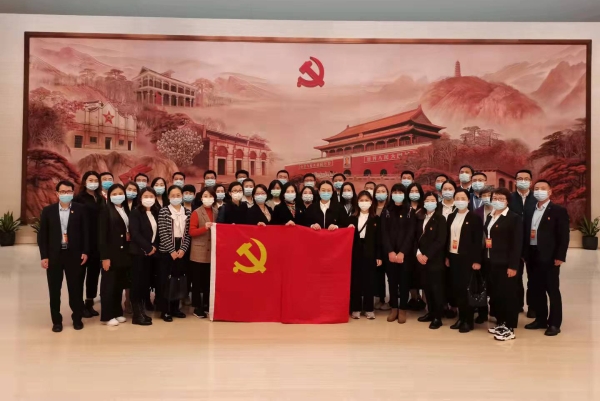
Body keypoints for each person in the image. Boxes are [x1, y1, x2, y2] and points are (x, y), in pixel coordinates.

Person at [38, 180, 89, 332]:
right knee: (54, 290)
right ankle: (56, 321)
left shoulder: (81, 209)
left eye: (68, 191)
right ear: (57, 193)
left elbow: (86, 233)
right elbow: (42, 236)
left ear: (73, 193)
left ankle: (77, 318)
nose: (65, 194)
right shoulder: (48, 211)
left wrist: (85, 251)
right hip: (55, 255)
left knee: (76, 288)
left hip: (74, 255)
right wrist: (44, 256)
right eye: (62, 191)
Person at [523, 180, 569, 337]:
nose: (539, 191)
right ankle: (541, 319)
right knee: (536, 289)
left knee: (552, 289)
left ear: (550, 192)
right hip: (532, 254)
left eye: (543, 188)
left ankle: (555, 323)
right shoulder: (529, 209)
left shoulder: (558, 211)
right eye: (536, 188)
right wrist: (524, 254)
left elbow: (564, 236)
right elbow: (525, 232)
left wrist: (560, 256)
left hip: (549, 256)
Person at [484, 187, 523, 341]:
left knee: (508, 295)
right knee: (497, 294)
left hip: (506, 263)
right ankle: (501, 323)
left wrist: (513, 266)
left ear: (507, 201)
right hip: (491, 262)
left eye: (501, 198)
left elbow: (516, 244)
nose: (498, 201)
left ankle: (510, 327)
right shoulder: (490, 216)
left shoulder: (514, 218)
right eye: (495, 198)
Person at [445, 189, 483, 333]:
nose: (460, 201)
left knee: (467, 290)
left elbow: (477, 241)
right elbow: (448, 237)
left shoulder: (474, 218)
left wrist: (477, 260)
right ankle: (461, 318)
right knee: (457, 289)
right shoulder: (451, 216)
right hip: (453, 257)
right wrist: (447, 256)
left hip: (468, 259)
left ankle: (468, 320)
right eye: (457, 198)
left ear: (468, 200)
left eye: (463, 198)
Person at [98, 184, 132, 327]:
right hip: (111, 254)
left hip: (123, 253)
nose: (118, 196)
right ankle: (107, 315)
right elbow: (102, 236)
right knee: (108, 285)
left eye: (120, 193)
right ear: (109, 196)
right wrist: (105, 257)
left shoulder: (126, 209)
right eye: (114, 194)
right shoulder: (105, 211)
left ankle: (117, 312)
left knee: (119, 284)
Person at [381, 183, 416, 323]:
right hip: (390, 254)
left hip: (405, 255)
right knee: (392, 281)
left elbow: (411, 233)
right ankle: (394, 308)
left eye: (400, 192)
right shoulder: (386, 211)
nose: (397, 194)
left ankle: (403, 309)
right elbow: (383, 233)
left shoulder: (410, 211)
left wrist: (402, 252)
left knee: (404, 282)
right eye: (394, 192)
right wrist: (390, 251)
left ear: (404, 194)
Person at [73, 171, 105, 318]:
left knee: (94, 274)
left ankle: (89, 302)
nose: (93, 183)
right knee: (80, 274)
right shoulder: (79, 198)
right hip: (83, 241)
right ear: (85, 182)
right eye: (90, 180)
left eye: (95, 180)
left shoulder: (101, 198)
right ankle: (78, 305)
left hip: (98, 242)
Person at [157, 185, 191, 322]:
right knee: (165, 280)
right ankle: (165, 310)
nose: (175, 198)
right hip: (167, 250)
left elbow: (188, 234)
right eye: (173, 195)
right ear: (168, 197)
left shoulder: (187, 212)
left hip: (181, 249)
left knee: (178, 279)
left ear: (182, 196)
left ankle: (175, 308)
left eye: (178, 195)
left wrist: (183, 249)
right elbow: (163, 232)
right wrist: (171, 250)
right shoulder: (164, 211)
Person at [416, 192, 448, 329]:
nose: (429, 202)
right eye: (427, 200)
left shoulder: (440, 218)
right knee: (427, 287)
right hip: (420, 259)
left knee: (436, 289)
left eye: (432, 200)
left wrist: (427, 255)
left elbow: (440, 240)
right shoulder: (419, 217)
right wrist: (418, 253)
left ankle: (437, 317)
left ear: (436, 202)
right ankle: (430, 312)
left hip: (435, 259)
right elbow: (414, 237)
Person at [128, 187, 160, 326]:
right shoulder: (135, 213)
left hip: (151, 254)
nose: (148, 199)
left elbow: (158, 232)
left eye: (151, 196)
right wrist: (148, 248)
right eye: (145, 196)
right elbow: (135, 233)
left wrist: (154, 247)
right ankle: (136, 315)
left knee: (144, 284)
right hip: (138, 253)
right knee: (136, 284)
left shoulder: (156, 212)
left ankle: (142, 311)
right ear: (140, 198)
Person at [508, 169, 537, 318]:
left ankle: (533, 306)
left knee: (534, 278)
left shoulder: (537, 199)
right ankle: (517, 304)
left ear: (531, 182)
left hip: (533, 246)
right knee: (515, 278)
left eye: (526, 179)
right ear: (515, 181)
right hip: (514, 245)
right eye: (520, 178)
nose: (523, 181)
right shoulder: (509, 198)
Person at [349, 191, 382, 320]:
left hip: (370, 252)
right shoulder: (352, 218)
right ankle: (356, 308)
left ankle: (369, 309)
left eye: (366, 200)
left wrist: (379, 256)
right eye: (361, 200)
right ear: (357, 202)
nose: (364, 203)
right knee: (356, 281)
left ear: (371, 202)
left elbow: (379, 239)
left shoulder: (376, 218)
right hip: (355, 252)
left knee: (369, 281)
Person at [188, 188, 218, 319]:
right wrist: (204, 228)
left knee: (208, 281)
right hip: (198, 251)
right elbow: (191, 232)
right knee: (197, 281)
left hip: (212, 251)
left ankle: (206, 304)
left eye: (210, 196)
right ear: (201, 198)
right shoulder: (196, 212)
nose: (208, 198)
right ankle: (197, 306)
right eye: (205, 196)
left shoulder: (216, 211)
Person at [406, 182, 426, 311]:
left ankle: (424, 301)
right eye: (411, 191)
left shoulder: (424, 208)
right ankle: (413, 298)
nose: (414, 194)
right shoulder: (405, 208)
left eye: (416, 191)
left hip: (422, 246)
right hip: (407, 247)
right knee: (410, 274)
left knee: (423, 274)